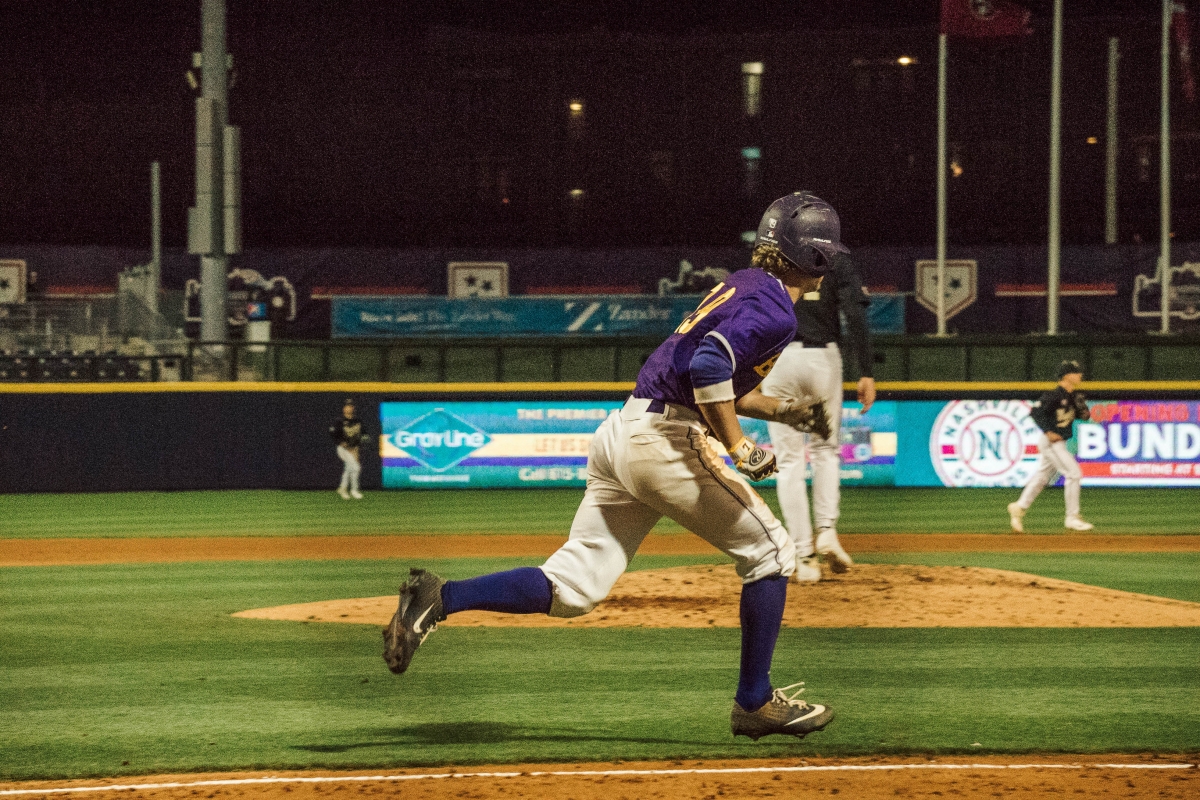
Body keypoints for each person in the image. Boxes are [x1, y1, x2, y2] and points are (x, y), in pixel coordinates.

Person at [383, 192, 848, 741]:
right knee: (772, 552)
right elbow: (706, 366)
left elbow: (715, 379)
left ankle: (443, 597)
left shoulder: (745, 285)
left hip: (624, 433)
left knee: (574, 586)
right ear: (814, 256)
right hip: (664, 439)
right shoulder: (775, 307)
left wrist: (783, 410)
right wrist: (740, 447)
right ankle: (754, 702)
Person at [759, 250, 874, 582]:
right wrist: (865, 371)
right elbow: (854, 313)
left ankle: (803, 555)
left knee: (790, 460)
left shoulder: (772, 255)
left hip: (777, 359)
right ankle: (826, 531)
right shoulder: (835, 256)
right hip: (822, 357)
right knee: (825, 451)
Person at [1008, 360, 1094, 532]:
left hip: (1058, 442)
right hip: (1051, 443)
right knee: (1074, 473)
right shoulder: (1054, 395)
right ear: (1067, 375)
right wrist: (1048, 431)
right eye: (1076, 372)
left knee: (1042, 477)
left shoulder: (1072, 396)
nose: (1080, 375)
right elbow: (1036, 412)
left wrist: (1083, 410)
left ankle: (1019, 507)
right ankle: (1072, 517)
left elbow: (1083, 416)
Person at [330, 398, 366, 500]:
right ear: (343, 408)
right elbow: (333, 434)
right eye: (346, 406)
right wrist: (343, 443)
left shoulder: (357, 421)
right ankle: (352, 490)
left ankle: (344, 489)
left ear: (353, 408)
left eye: (350, 406)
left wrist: (357, 449)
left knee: (349, 468)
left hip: (354, 449)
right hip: (343, 449)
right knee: (355, 468)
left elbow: (363, 435)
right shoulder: (339, 421)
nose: (348, 408)